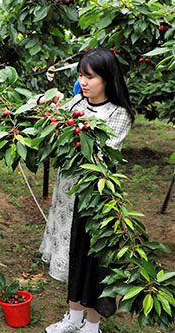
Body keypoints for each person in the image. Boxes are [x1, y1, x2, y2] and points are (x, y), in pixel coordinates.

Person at [32, 48, 134, 333]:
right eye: (80, 75)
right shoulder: (76, 102)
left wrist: (70, 129)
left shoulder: (119, 114)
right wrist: (46, 100)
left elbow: (101, 154)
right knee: (73, 255)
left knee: (93, 261)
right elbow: (39, 116)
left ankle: (92, 325)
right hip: (67, 196)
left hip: (96, 198)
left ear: (107, 78)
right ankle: (73, 318)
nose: (84, 82)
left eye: (90, 77)